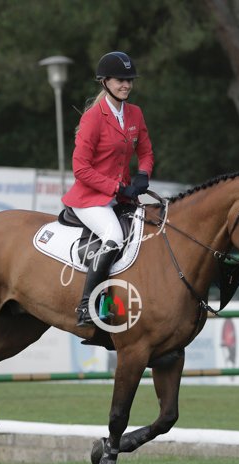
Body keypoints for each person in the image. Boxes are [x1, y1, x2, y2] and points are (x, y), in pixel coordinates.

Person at [61, 51, 154, 326]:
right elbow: (80, 168)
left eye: (129, 80)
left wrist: (143, 174)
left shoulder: (135, 113)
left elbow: (146, 152)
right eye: (120, 80)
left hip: (121, 197)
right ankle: (87, 306)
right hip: (90, 199)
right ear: (105, 82)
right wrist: (117, 187)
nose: (126, 85)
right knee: (114, 236)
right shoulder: (93, 118)